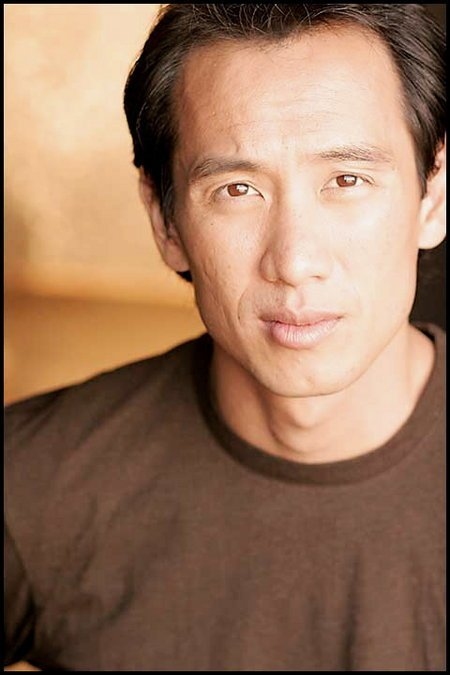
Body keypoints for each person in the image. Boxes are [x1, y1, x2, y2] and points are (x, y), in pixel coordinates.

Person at [4, 3, 446, 671]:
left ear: (433, 198)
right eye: (237, 189)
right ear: (166, 224)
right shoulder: (32, 485)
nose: (294, 260)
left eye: (347, 180)